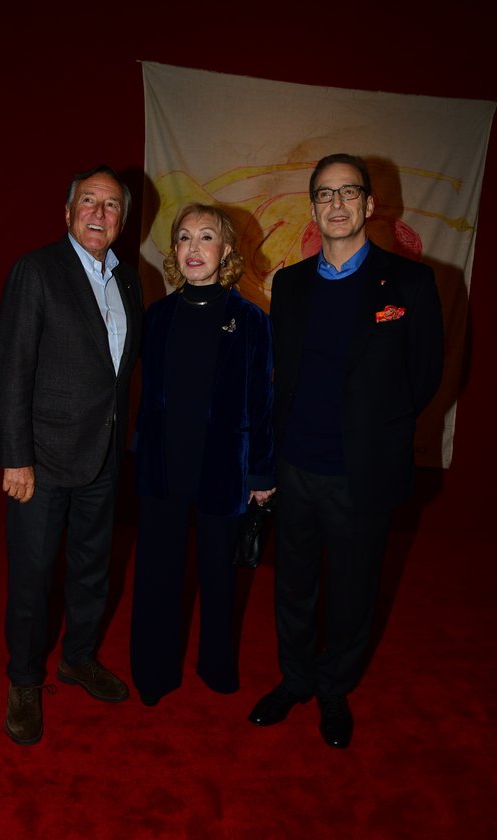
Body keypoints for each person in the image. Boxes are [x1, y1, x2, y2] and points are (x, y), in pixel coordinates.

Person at [248, 153, 444, 748]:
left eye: (348, 192)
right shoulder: (290, 284)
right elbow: (281, 377)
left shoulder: (410, 284)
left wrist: (375, 430)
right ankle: (296, 680)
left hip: (363, 472)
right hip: (296, 466)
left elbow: (425, 375)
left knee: (354, 591)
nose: (336, 204)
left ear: (369, 204)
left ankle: (334, 688)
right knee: (293, 586)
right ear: (313, 208)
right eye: (325, 194)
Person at [0, 164, 143, 745]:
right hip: (42, 460)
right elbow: (11, 367)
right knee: (33, 577)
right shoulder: (37, 270)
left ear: (122, 219)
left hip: (103, 455)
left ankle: (78, 658)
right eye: (89, 201)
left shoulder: (129, 279)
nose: (100, 213)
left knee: (91, 568)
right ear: (68, 212)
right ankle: (25, 679)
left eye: (111, 205)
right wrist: (16, 456)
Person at [130, 202, 275, 706]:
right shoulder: (157, 316)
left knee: (218, 575)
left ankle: (216, 667)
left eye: (206, 237)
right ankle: (154, 673)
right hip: (163, 466)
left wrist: (261, 472)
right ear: (174, 251)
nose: (194, 248)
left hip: (223, 469)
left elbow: (262, 401)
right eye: (184, 238)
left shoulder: (251, 320)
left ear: (227, 250)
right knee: (157, 574)